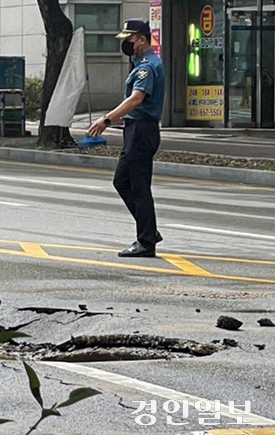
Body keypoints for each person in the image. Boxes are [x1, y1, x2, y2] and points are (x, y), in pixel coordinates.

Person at [87, 19, 164, 258]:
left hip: (142, 131)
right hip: (135, 130)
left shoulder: (147, 67)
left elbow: (135, 99)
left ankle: (146, 241)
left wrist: (106, 119)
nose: (126, 44)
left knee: (139, 187)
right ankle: (149, 230)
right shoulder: (141, 64)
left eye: (129, 40)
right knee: (122, 181)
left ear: (141, 39)